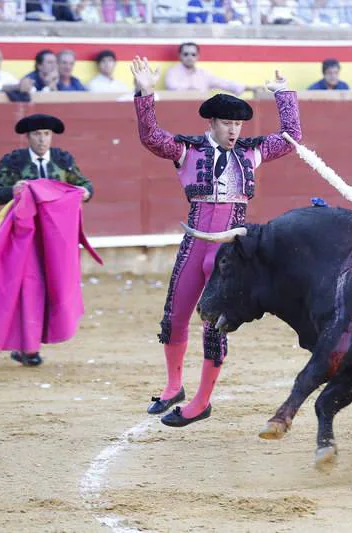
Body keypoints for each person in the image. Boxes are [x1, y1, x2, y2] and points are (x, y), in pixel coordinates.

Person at [130, 55, 302, 427]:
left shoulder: (250, 151)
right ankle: (174, 386)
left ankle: (201, 401)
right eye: (227, 123)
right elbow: (150, 137)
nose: (234, 130)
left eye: (239, 123)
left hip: (230, 248)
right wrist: (145, 93)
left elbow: (291, 138)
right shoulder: (187, 150)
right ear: (212, 122)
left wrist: (284, 94)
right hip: (196, 240)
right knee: (175, 316)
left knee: (214, 322)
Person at [0, 114, 94, 365]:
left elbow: (85, 184)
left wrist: (86, 192)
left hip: (55, 240)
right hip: (25, 240)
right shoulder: (13, 162)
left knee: (55, 287)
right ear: (28, 137)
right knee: (28, 289)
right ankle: (28, 348)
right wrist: (14, 190)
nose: (42, 139)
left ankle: (33, 343)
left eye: (46, 134)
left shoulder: (63, 160)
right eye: (36, 134)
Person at [164, 42, 261, 95]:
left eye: (193, 54)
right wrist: (194, 90)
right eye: (186, 54)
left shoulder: (204, 74)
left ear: (198, 56)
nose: (190, 57)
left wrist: (250, 88)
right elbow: (172, 88)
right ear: (180, 56)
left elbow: (225, 83)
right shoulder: (172, 72)